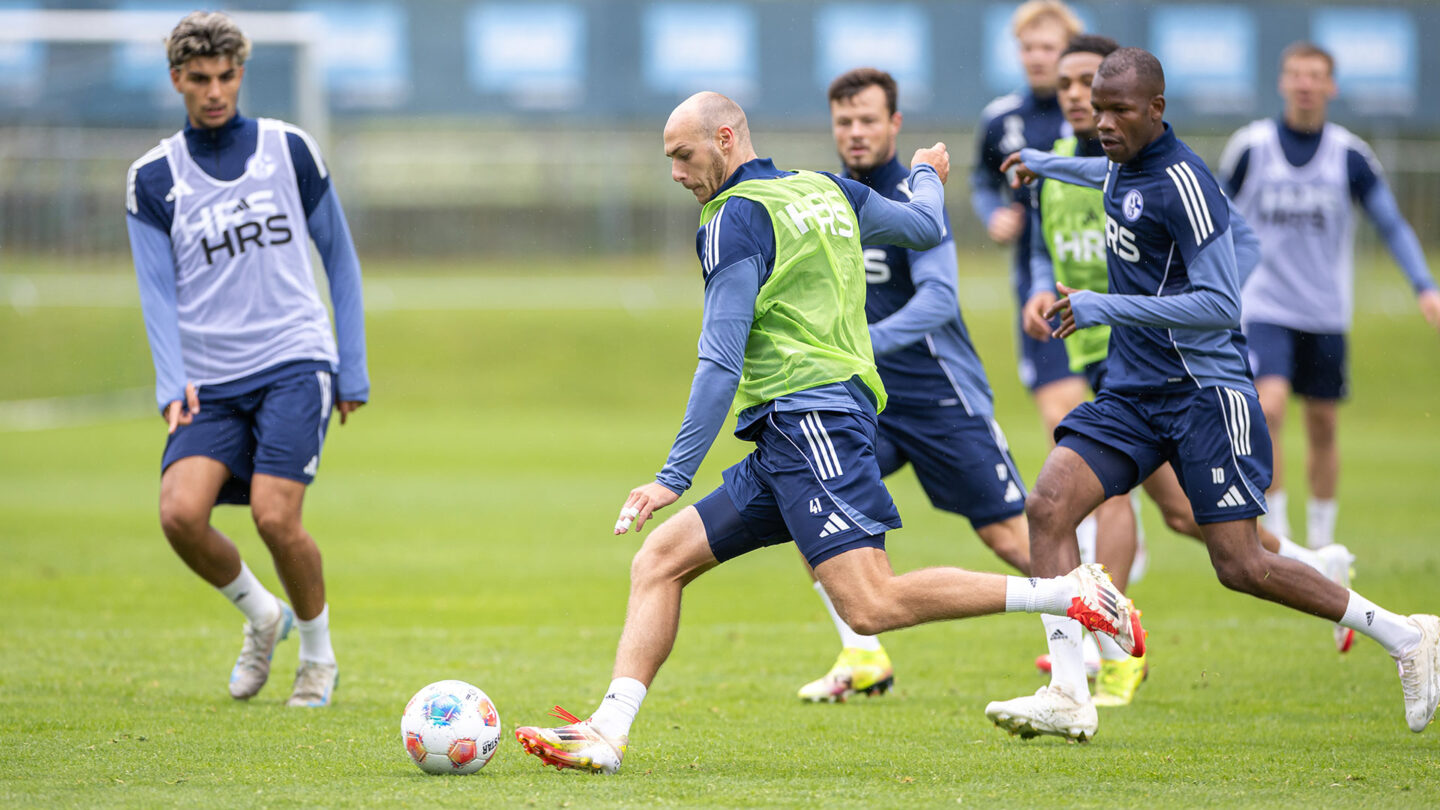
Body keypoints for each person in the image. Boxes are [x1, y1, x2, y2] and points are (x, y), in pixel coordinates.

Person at [513, 91, 1142, 774]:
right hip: (796, 431)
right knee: (660, 560)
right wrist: (927, 175)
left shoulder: (732, 219)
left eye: (684, 155)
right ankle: (608, 730)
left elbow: (721, 358)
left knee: (872, 604)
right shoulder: (826, 189)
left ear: (725, 139)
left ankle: (1066, 592)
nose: (675, 172)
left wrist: (672, 475)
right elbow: (926, 228)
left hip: (810, 421)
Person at [985, 47, 1438, 743]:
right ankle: (1068, 690)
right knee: (1047, 506)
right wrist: (1045, 166)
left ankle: (1405, 636)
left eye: (1119, 111)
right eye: (1098, 109)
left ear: (1157, 111)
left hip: (1204, 395)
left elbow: (1220, 305)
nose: (1102, 122)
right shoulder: (1123, 160)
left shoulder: (1184, 183)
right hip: (1135, 391)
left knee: (1241, 565)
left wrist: (1108, 307)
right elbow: (1105, 174)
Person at [124, 11, 368, 708]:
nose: (214, 91)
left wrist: (352, 367)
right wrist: (171, 384)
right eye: (199, 78)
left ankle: (318, 658)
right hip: (210, 378)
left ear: (241, 74)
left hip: (295, 360)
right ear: (177, 80)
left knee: (273, 516)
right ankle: (265, 616)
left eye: (227, 76)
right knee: (178, 514)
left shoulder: (289, 150)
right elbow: (155, 291)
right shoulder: (151, 178)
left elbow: (341, 261)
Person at [790, 68, 1033, 704]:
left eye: (868, 119)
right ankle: (863, 655)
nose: (856, 132)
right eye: (845, 121)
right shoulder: (830, 196)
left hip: (938, 395)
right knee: (808, 502)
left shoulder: (911, 196)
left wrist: (862, 342)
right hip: (866, 401)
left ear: (894, 124)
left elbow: (939, 300)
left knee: (1009, 535)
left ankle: (1104, 625)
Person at [1219, 42, 1440, 550]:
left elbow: (1390, 222)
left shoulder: (1350, 156)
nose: (1304, 84)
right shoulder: (1251, 147)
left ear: (1331, 86)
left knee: (1322, 423)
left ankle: (1323, 538)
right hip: (1264, 305)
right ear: (1281, 81)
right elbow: (1210, 214)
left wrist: (1423, 284)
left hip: (1324, 311)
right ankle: (1280, 530)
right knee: (1268, 407)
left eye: (1315, 75)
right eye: (1295, 73)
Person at [971, 1, 1089, 440]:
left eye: (1048, 46)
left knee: (1114, 410)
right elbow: (982, 180)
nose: (1037, 56)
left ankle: (1117, 491)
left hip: (1101, 275)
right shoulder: (1001, 119)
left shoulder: (1094, 114)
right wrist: (993, 214)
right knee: (1059, 414)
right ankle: (1101, 501)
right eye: (1027, 47)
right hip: (1034, 280)